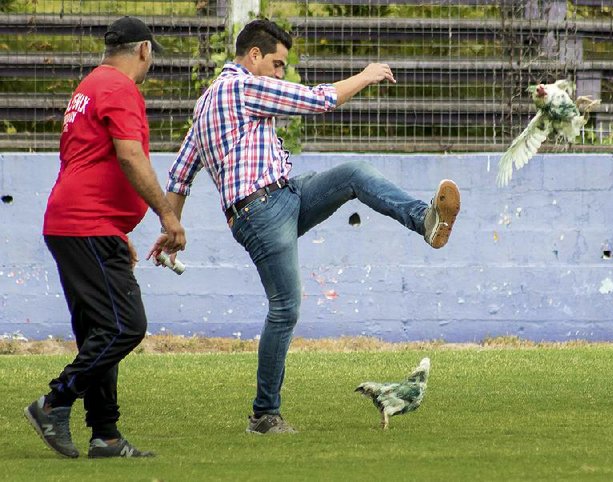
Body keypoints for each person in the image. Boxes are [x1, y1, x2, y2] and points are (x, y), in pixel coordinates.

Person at [161, 18, 460, 434]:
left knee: (354, 173)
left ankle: (425, 221)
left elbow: (180, 174)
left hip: (284, 195)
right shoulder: (242, 86)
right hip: (260, 211)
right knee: (285, 308)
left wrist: (171, 227)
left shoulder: (207, 101)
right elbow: (318, 100)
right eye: (278, 64)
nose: (281, 73)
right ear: (254, 57)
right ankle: (265, 415)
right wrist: (369, 74)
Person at [24, 16, 186, 458]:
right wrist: (167, 215)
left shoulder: (89, 86)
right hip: (86, 223)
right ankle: (54, 402)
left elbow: (84, 160)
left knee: (98, 331)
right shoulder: (119, 88)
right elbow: (130, 157)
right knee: (125, 326)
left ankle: (106, 435)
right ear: (144, 51)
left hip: (74, 223)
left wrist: (118, 227)